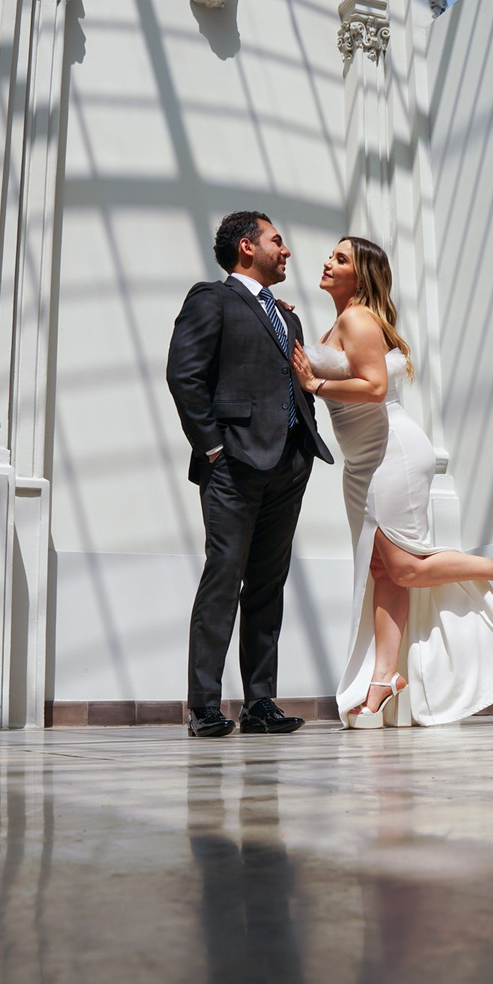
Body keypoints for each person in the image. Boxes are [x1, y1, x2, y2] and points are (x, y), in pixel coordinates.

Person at [291, 236, 493, 729]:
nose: (327, 262)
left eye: (341, 258)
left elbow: (375, 388)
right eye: (331, 255)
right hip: (362, 461)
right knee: (385, 571)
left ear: (361, 274)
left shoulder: (357, 319)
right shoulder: (340, 321)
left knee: (404, 566)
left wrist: (316, 384)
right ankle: (382, 682)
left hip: (389, 452)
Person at [167, 211, 334, 738]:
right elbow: (184, 376)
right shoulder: (211, 299)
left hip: (289, 464)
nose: (286, 251)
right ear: (247, 247)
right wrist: (214, 448)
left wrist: (303, 444)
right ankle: (204, 707)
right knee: (223, 577)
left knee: (268, 583)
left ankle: (260, 702)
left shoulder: (287, 316)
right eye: (276, 241)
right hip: (233, 465)